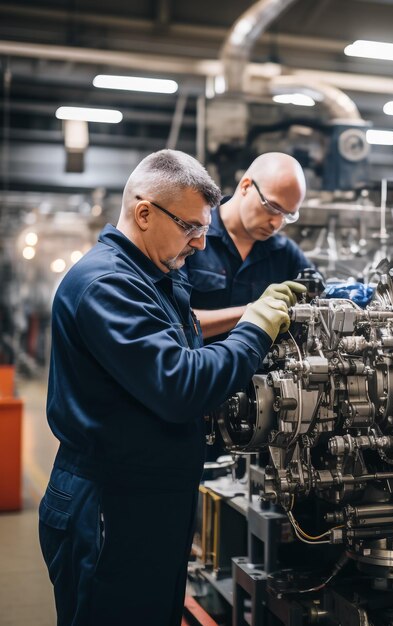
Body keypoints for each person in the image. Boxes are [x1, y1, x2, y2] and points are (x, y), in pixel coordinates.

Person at [38, 149, 305, 626]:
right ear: (144, 213)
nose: (202, 244)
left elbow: (186, 336)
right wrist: (255, 327)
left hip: (149, 498)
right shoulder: (106, 286)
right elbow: (181, 384)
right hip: (109, 505)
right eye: (191, 228)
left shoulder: (154, 277)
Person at [184, 152, 312, 341]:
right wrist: (254, 311)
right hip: (199, 366)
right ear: (246, 186)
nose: (276, 223)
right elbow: (175, 324)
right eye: (272, 207)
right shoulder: (192, 235)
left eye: (287, 216)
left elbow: (320, 296)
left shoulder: (285, 253)